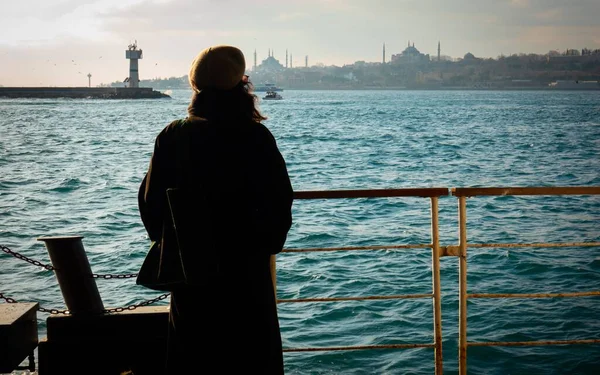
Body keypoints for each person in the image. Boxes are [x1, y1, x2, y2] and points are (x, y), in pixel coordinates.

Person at [137, 45, 293, 374]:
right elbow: (279, 204)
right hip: (246, 275)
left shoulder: (173, 135)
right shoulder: (255, 137)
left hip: (191, 274)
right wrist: (260, 248)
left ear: (195, 87)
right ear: (241, 85)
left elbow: (151, 206)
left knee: (194, 359)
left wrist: (179, 243)